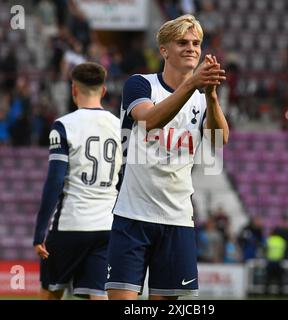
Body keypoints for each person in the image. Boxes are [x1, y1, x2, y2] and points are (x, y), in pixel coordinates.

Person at [105, 14, 229, 300]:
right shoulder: (141, 84)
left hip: (178, 219)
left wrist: (210, 95)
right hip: (132, 215)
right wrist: (192, 84)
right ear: (164, 50)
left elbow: (217, 141)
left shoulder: (200, 98)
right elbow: (149, 120)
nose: (191, 48)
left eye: (196, 43)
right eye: (182, 42)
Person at [33, 62, 122, 300]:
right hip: (107, 227)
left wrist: (39, 232)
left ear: (73, 90)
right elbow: (124, 181)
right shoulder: (120, 126)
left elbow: (54, 182)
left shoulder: (64, 126)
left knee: (51, 292)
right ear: (103, 90)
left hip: (71, 225)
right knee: (98, 295)